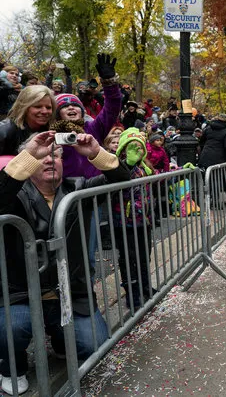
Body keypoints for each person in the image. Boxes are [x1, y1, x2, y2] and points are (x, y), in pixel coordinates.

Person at [0, 131, 129, 394]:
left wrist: (95, 151)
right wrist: (29, 156)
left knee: (95, 344)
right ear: (27, 162)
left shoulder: (78, 187)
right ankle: (12, 366)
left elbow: (123, 184)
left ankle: (60, 341)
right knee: (12, 329)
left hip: (70, 294)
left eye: (55, 155)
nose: (49, 160)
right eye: (41, 157)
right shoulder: (14, 192)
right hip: (20, 294)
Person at [113, 128, 157, 309]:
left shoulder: (144, 167)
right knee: (128, 258)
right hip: (124, 222)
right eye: (131, 147)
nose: (136, 151)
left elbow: (157, 178)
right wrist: (128, 164)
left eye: (139, 148)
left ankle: (145, 286)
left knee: (144, 255)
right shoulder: (118, 165)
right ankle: (132, 293)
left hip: (143, 220)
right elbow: (116, 182)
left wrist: (180, 170)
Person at [0, 85, 56, 156]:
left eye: (48, 107)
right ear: (24, 107)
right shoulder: (4, 132)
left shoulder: (51, 130)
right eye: (37, 106)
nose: (45, 111)